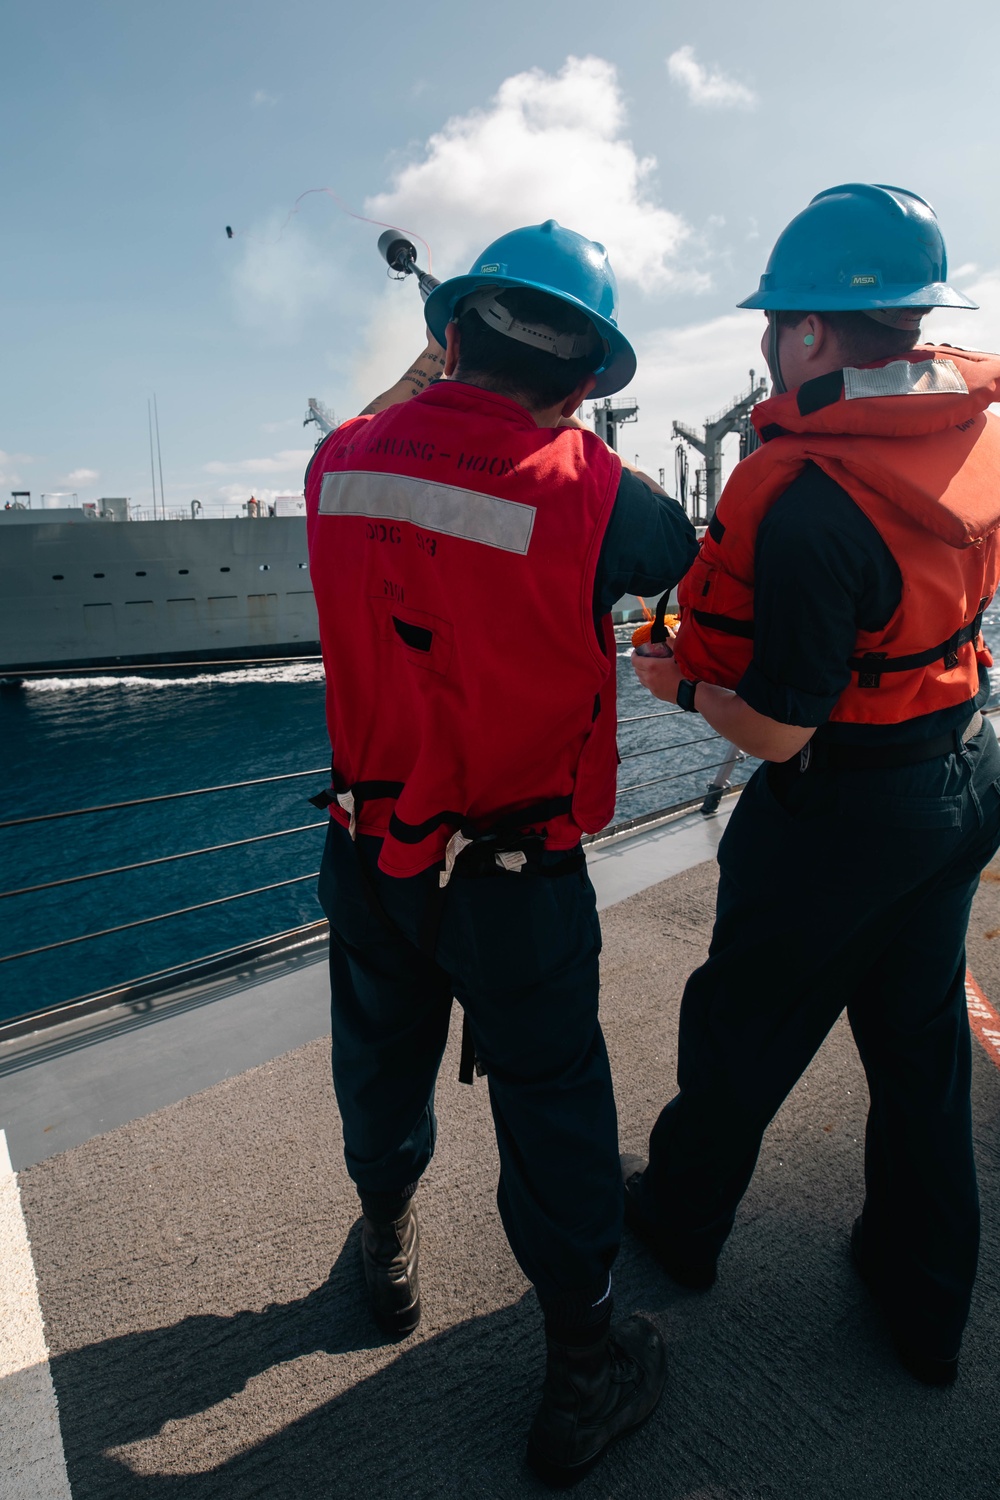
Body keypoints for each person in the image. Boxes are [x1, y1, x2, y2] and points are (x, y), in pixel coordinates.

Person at [304, 219, 697, 1485]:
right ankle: (583, 1370)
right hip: (520, 881)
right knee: (553, 1108)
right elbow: (691, 579)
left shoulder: (337, 465)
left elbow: (398, 428)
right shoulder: (604, 497)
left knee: (378, 1058)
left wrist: (432, 363)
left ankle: (385, 1238)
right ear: (586, 378)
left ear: (449, 332)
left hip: (370, 857)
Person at [624, 183, 1000, 1387]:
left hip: (842, 814)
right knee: (919, 1047)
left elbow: (782, 731)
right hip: (964, 772)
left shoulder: (806, 503)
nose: (767, 339)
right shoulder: (971, 431)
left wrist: (671, 686)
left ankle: (678, 1231)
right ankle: (926, 1302)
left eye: (777, 317)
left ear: (812, 335)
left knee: (743, 1029)